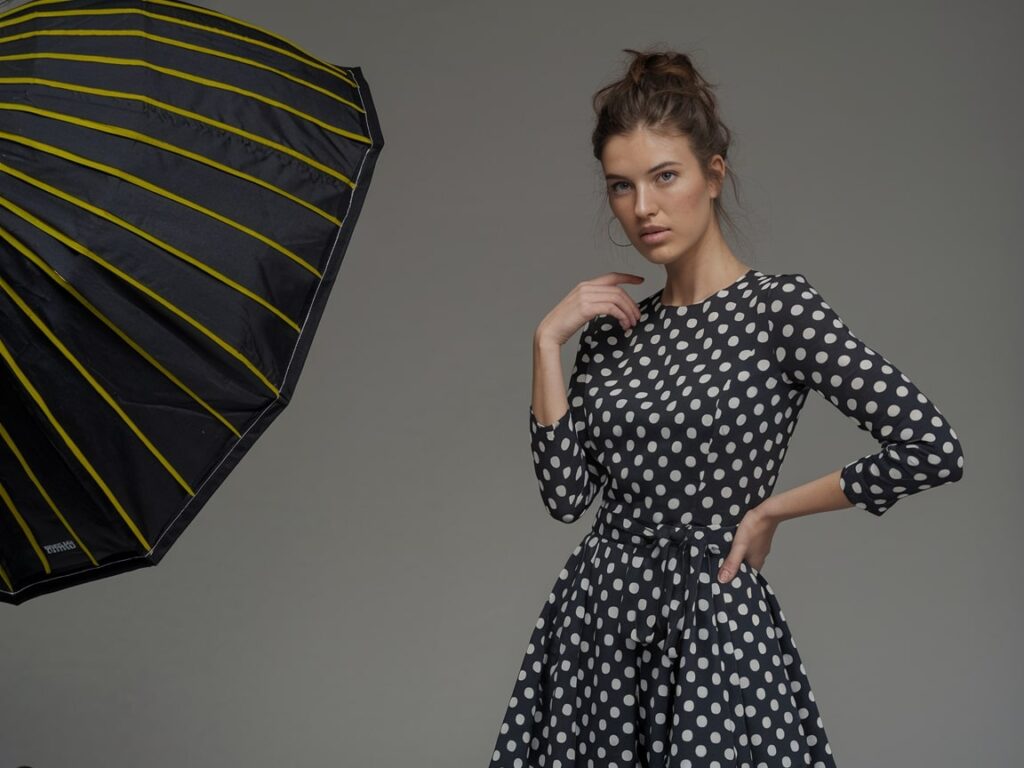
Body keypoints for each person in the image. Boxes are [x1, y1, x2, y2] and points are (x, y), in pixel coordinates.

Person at [489, 49, 965, 767]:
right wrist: (545, 344)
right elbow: (564, 497)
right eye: (621, 186)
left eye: (664, 176)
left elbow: (931, 447)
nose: (642, 208)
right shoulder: (615, 332)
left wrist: (770, 511)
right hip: (597, 620)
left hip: (709, 619)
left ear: (713, 176)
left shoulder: (778, 310)